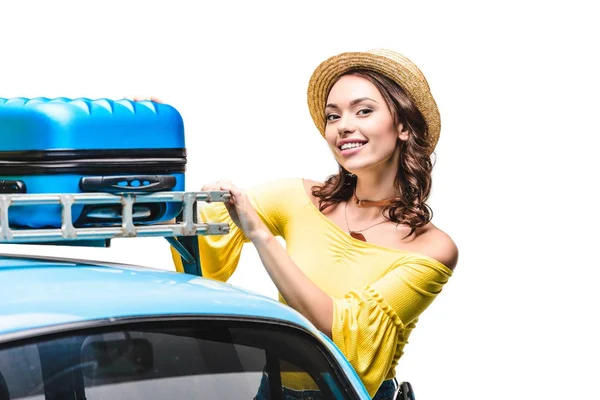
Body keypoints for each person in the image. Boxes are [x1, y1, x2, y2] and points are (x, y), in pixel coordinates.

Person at [163, 49, 458, 399]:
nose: (343, 125)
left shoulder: (433, 249)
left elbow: (340, 332)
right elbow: (192, 226)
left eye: (363, 110)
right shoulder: (297, 199)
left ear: (404, 126)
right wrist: (153, 143)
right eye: (333, 116)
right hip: (273, 390)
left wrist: (260, 235)